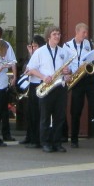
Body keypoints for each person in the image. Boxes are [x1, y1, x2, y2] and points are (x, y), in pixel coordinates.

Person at [26, 25, 69, 153]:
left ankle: (57, 143)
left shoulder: (63, 52)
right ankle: (45, 142)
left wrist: (68, 72)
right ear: (48, 36)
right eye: (55, 34)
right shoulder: (40, 52)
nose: (57, 36)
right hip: (46, 86)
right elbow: (30, 69)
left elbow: (68, 71)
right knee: (45, 117)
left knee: (59, 117)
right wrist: (43, 77)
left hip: (60, 87)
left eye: (59, 34)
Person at [63, 23, 94, 148]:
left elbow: (91, 60)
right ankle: (74, 139)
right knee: (76, 110)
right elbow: (65, 63)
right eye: (83, 33)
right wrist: (67, 73)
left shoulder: (89, 44)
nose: (85, 35)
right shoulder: (67, 46)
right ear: (77, 31)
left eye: (86, 32)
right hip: (77, 79)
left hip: (89, 78)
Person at [21, 35, 45, 147]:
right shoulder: (33, 55)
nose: (33, 48)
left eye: (35, 46)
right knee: (30, 112)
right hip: (32, 84)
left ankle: (36, 139)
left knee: (36, 113)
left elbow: (33, 70)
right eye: (32, 46)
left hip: (39, 84)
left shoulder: (42, 54)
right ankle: (29, 136)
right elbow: (26, 68)